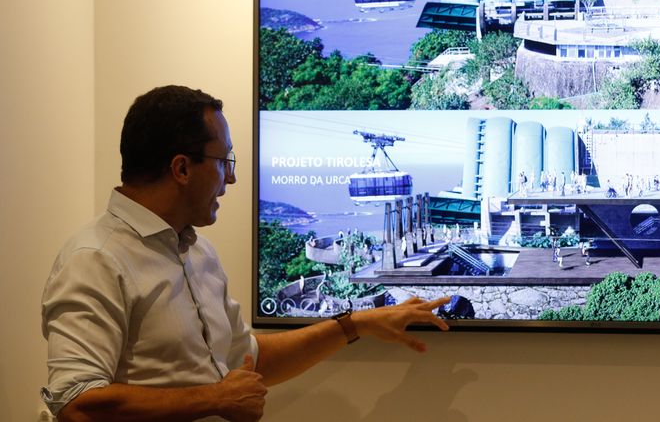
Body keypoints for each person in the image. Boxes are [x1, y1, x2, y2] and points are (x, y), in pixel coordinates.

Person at [41, 86, 450, 422]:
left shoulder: (197, 252)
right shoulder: (95, 259)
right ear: (182, 169)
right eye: (224, 162)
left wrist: (357, 324)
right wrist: (213, 399)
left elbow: (248, 360)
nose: (232, 177)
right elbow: (77, 402)